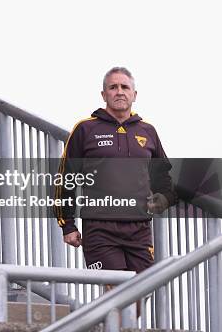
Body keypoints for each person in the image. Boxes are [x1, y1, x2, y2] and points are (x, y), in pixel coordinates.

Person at [55, 67, 177, 274]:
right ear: (104, 95)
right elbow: (65, 179)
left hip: (139, 228)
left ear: (134, 95)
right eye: (113, 87)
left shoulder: (148, 131)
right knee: (115, 292)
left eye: (124, 87)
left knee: (141, 295)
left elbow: (163, 178)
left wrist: (164, 199)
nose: (119, 91)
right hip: (99, 229)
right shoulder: (85, 129)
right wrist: (67, 224)